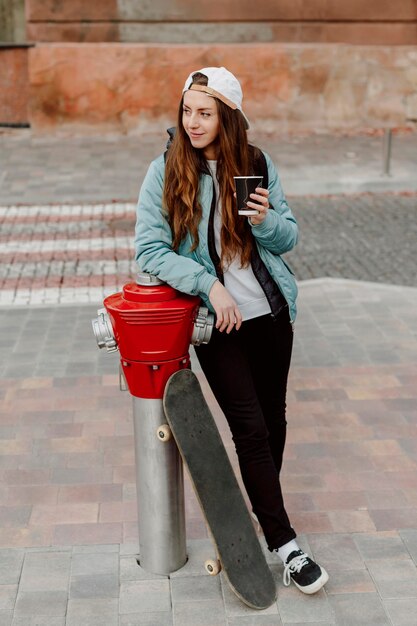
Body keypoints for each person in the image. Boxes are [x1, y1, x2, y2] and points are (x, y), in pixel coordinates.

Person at [134, 66, 329, 595]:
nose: (192, 122)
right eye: (187, 111)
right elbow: (148, 251)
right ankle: (284, 543)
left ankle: (263, 509)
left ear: (228, 119)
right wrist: (207, 285)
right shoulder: (165, 170)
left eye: (206, 113)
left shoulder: (257, 163)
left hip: (270, 315)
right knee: (250, 428)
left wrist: (266, 221)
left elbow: (288, 238)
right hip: (218, 323)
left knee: (272, 422)